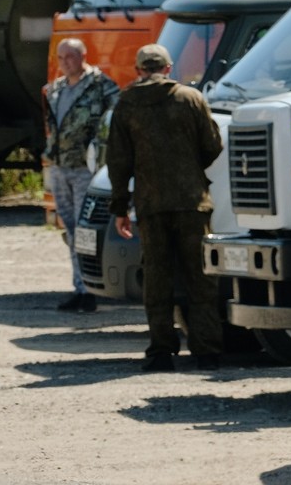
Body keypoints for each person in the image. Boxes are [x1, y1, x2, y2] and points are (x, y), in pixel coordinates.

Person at [108, 44, 224, 372]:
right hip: (192, 202)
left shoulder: (127, 103)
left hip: (151, 205)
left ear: (138, 69)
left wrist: (120, 207)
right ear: (169, 68)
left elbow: (118, 161)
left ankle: (161, 351)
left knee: (157, 279)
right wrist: (190, 169)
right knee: (200, 278)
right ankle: (207, 351)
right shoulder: (190, 98)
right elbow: (213, 145)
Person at [41, 38, 119, 312]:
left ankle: (90, 288)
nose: (64, 63)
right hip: (61, 167)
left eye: (70, 57)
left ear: (83, 56)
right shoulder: (56, 89)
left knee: (86, 229)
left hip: (87, 169)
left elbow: (116, 118)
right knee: (70, 229)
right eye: (61, 58)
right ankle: (80, 286)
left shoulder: (101, 86)